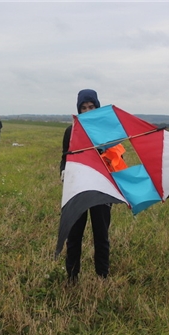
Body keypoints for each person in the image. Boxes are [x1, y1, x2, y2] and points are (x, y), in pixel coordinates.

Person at [60, 89, 111, 283]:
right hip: (77, 189)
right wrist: (64, 171)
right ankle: (72, 275)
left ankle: (102, 275)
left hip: (101, 189)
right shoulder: (70, 132)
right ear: (79, 111)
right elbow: (65, 157)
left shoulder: (107, 132)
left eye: (92, 106)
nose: (88, 110)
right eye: (84, 107)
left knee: (101, 234)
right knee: (74, 233)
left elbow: (117, 158)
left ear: (98, 107)